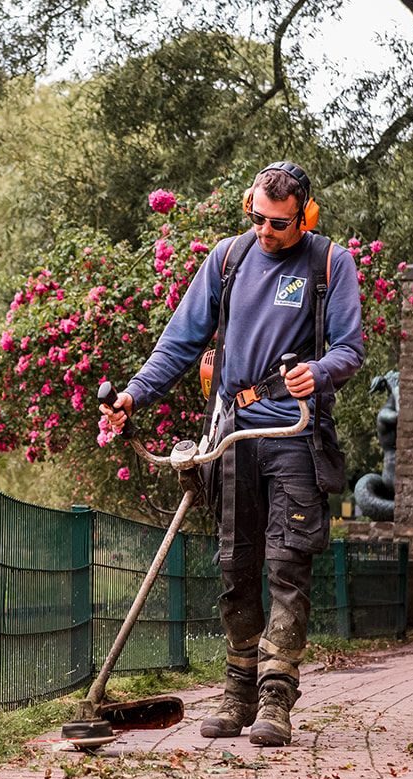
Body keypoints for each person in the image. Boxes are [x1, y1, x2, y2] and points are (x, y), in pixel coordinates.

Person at [100, 162, 364, 745]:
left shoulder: (329, 263)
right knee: (235, 568)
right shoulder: (229, 259)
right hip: (233, 438)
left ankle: (275, 698)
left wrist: (317, 373)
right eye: (258, 219)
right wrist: (132, 395)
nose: (266, 232)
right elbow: (179, 342)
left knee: (287, 567)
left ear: (306, 215)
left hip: (294, 436)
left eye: (280, 224)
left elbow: (350, 349)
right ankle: (238, 692)